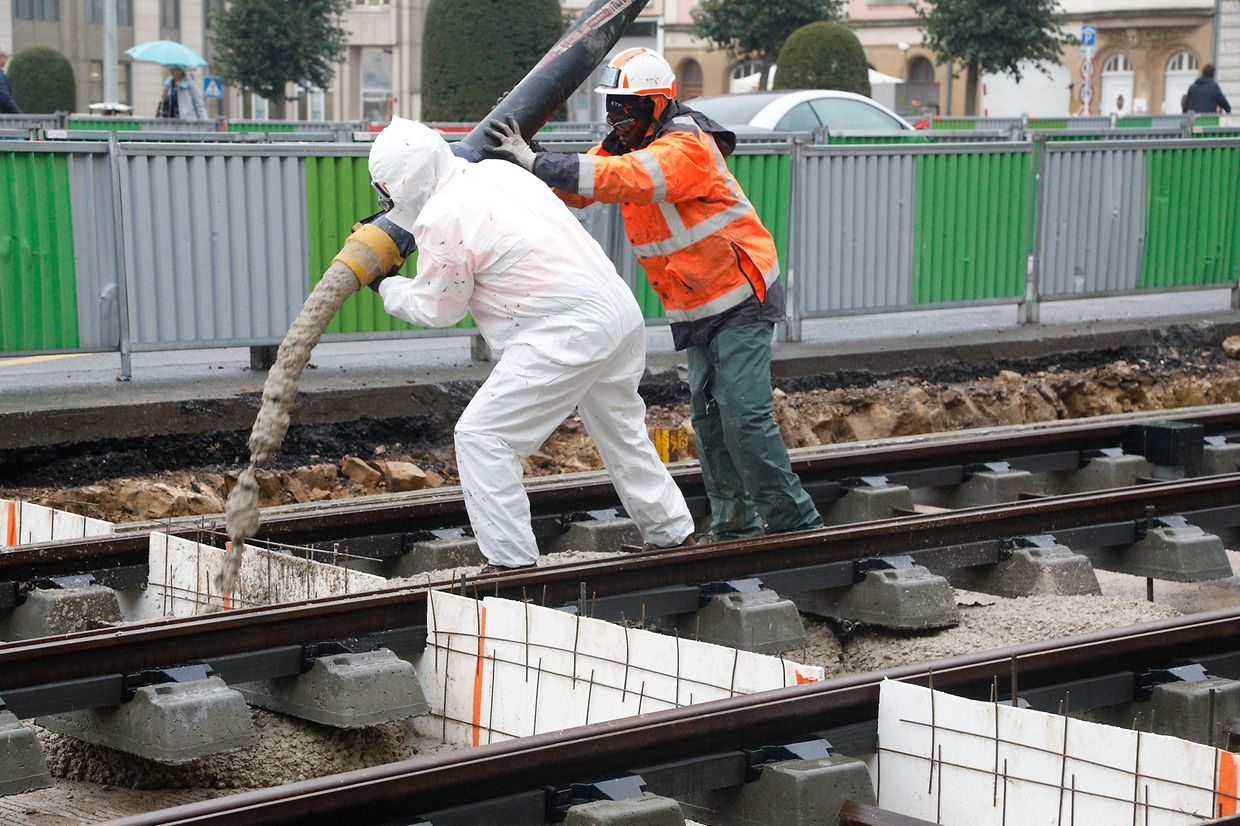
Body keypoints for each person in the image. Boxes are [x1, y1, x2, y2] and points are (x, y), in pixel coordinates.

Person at [484, 47, 823, 541]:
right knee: (709, 421)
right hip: (696, 304)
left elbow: (628, 178)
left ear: (657, 105)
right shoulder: (627, 146)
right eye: (612, 107)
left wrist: (536, 160)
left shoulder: (684, 147)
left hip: (740, 295)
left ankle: (797, 526)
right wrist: (519, 161)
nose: (616, 118)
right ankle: (736, 526)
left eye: (626, 107)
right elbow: (579, 186)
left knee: (744, 417)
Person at [367, 118, 696, 572]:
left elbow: (439, 307)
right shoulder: (496, 173)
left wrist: (386, 287)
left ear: (401, 185)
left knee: (483, 437)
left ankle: (511, 567)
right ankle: (672, 533)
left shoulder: (443, 217)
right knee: (621, 430)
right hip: (615, 309)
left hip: (566, 327)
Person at [0, 45, 21, 114]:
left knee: (38, 124)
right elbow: (5, 99)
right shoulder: (1, 76)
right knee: (38, 125)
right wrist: (20, 115)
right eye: (4, 57)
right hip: (4, 121)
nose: (6, 60)